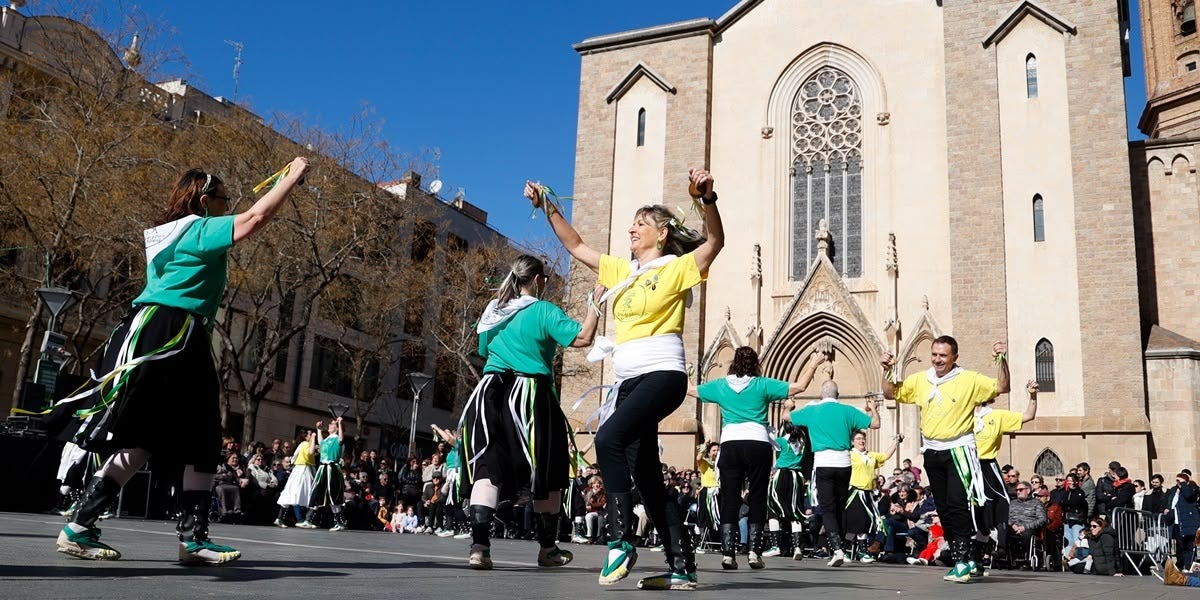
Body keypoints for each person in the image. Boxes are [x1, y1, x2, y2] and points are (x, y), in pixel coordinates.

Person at [51, 158, 310, 564]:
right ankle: (191, 539)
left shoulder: (167, 234)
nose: (229, 206)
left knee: (146, 437)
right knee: (204, 434)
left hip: (157, 330)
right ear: (205, 201)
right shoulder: (200, 227)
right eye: (224, 199)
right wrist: (293, 177)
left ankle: (81, 526)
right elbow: (256, 218)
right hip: (173, 331)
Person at [529, 167, 725, 591]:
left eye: (641, 222)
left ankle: (620, 539)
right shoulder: (623, 271)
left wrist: (707, 200)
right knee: (650, 481)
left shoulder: (675, 267)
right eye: (632, 222)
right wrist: (547, 205)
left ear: (662, 232)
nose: (632, 228)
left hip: (663, 374)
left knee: (608, 438)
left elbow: (714, 243)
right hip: (630, 383)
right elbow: (576, 244)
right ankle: (682, 567)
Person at [455, 254, 602, 571]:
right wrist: (596, 305)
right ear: (538, 280)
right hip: (529, 394)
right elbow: (583, 338)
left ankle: (479, 547)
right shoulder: (544, 310)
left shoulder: (492, 312)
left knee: (487, 466)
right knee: (546, 471)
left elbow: (484, 351)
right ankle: (548, 548)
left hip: (488, 393)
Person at [881, 336, 1010, 583]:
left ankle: (961, 562)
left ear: (954, 357)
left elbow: (1002, 386)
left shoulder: (969, 379)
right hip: (932, 451)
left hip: (959, 449)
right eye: (935, 354)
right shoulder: (921, 379)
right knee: (943, 508)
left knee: (957, 504)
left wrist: (1001, 360)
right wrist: (886, 370)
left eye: (943, 355)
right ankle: (971, 557)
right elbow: (890, 394)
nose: (938, 359)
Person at [691, 346, 822, 570]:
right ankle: (754, 552)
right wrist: (814, 362)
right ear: (756, 364)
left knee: (729, 498)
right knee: (758, 498)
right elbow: (799, 386)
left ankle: (728, 554)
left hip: (731, 443)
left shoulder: (722, 385)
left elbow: (691, 391)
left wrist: (684, 372)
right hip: (757, 442)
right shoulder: (762, 385)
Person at [790, 380, 881, 567]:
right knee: (840, 506)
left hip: (824, 462)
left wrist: (788, 406)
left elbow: (787, 417)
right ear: (837, 395)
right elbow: (876, 424)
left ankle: (838, 549)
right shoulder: (848, 411)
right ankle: (843, 547)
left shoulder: (812, 410)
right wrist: (873, 408)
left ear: (821, 395)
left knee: (828, 508)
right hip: (844, 463)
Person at [971, 379, 1039, 574]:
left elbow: (1028, 416)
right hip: (966, 467)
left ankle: (979, 556)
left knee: (989, 515)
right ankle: (965, 556)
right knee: (965, 513)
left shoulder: (996, 416)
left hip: (986, 467)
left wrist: (1032, 395)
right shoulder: (963, 416)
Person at [845, 430, 902, 563]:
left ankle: (862, 552)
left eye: (863, 438)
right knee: (854, 521)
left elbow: (885, 456)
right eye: (858, 439)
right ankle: (846, 550)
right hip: (854, 491)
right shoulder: (850, 455)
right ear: (853, 442)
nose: (861, 441)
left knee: (866, 522)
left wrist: (896, 442)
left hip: (867, 492)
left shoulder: (870, 455)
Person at [765, 420, 810, 561]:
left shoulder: (781, 441)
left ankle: (775, 546)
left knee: (773, 508)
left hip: (782, 476)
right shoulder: (803, 443)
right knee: (795, 511)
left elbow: (765, 439)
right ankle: (797, 547)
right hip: (797, 477)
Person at [298, 418, 346, 531]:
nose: (329, 425)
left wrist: (340, 423)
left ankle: (339, 522)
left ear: (337, 428)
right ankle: (308, 520)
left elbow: (341, 439)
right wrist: (318, 429)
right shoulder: (328, 439)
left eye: (332, 424)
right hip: (323, 469)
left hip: (332, 468)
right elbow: (321, 442)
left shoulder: (337, 439)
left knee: (333, 496)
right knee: (317, 493)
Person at [276, 430, 318, 527]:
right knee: (308, 494)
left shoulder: (302, 444)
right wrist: (314, 439)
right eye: (310, 434)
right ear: (306, 437)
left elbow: (296, 456)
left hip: (300, 470)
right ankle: (305, 520)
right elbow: (310, 452)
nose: (312, 435)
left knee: (291, 493)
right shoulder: (306, 444)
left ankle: (280, 518)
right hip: (303, 471)